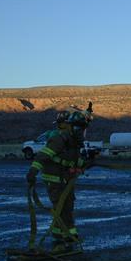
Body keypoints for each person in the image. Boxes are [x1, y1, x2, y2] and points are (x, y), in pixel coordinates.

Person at [26, 108, 93, 252]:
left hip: (66, 179)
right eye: (78, 128)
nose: (80, 131)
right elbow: (42, 156)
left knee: (68, 208)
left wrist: (85, 164)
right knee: (60, 208)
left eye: (82, 128)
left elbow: (72, 160)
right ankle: (58, 239)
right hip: (54, 178)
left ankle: (70, 235)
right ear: (69, 126)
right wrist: (33, 172)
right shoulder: (60, 138)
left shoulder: (74, 141)